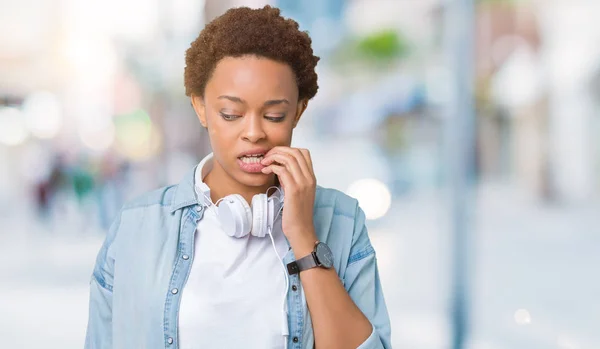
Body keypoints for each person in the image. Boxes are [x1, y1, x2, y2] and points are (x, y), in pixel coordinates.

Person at [85, 5, 391, 349]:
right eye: (231, 114)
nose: (254, 133)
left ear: (298, 111)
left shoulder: (343, 220)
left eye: (274, 115)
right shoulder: (136, 226)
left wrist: (304, 237)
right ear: (200, 107)